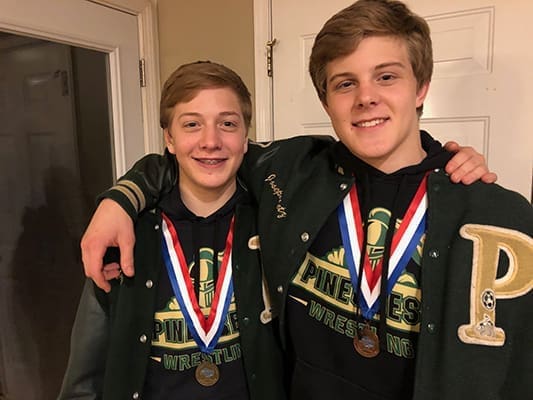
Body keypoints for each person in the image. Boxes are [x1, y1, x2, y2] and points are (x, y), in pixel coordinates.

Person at [80, 1, 533, 399]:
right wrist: (120, 198)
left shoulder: (496, 217)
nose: (366, 97)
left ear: (421, 87)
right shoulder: (294, 171)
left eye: (386, 76)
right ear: (326, 100)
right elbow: (204, 158)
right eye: (345, 84)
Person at [58, 61, 286, 400]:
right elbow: (84, 377)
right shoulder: (126, 232)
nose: (211, 141)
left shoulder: (276, 221)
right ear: (169, 138)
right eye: (192, 124)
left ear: (245, 137)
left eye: (227, 123)